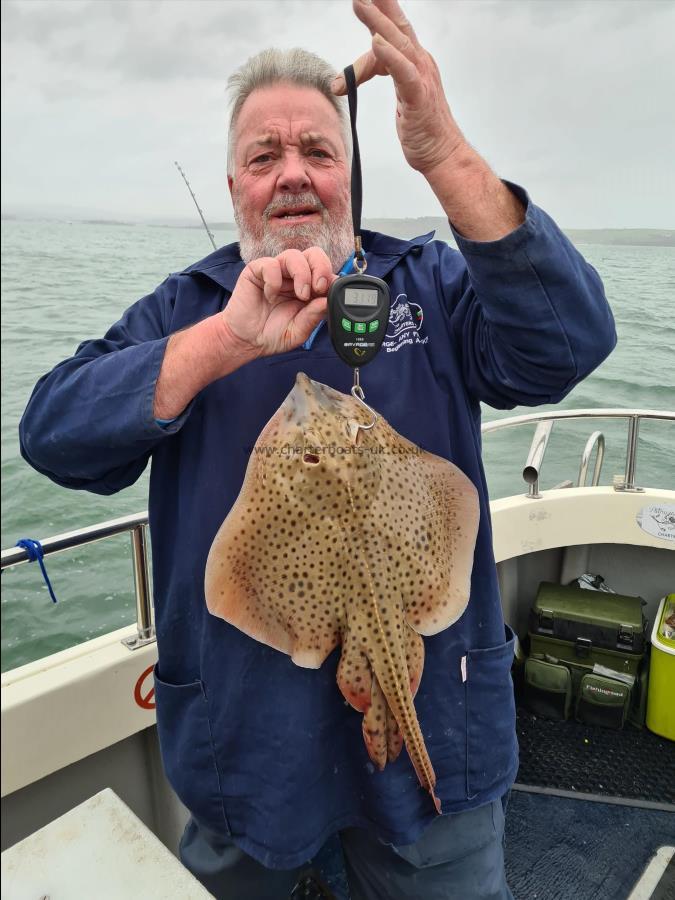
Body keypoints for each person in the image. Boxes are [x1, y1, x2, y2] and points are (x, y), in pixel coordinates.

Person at [19, 1, 616, 898]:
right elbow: (55, 434)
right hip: (247, 754)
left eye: (318, 152)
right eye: (264, 157)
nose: (292, 175)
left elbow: (567, 343)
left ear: (353, 174)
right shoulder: (187, 309)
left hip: (435, 744)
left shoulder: (430, 283)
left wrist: (444, 151)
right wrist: (223, 342)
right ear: (233, 189)